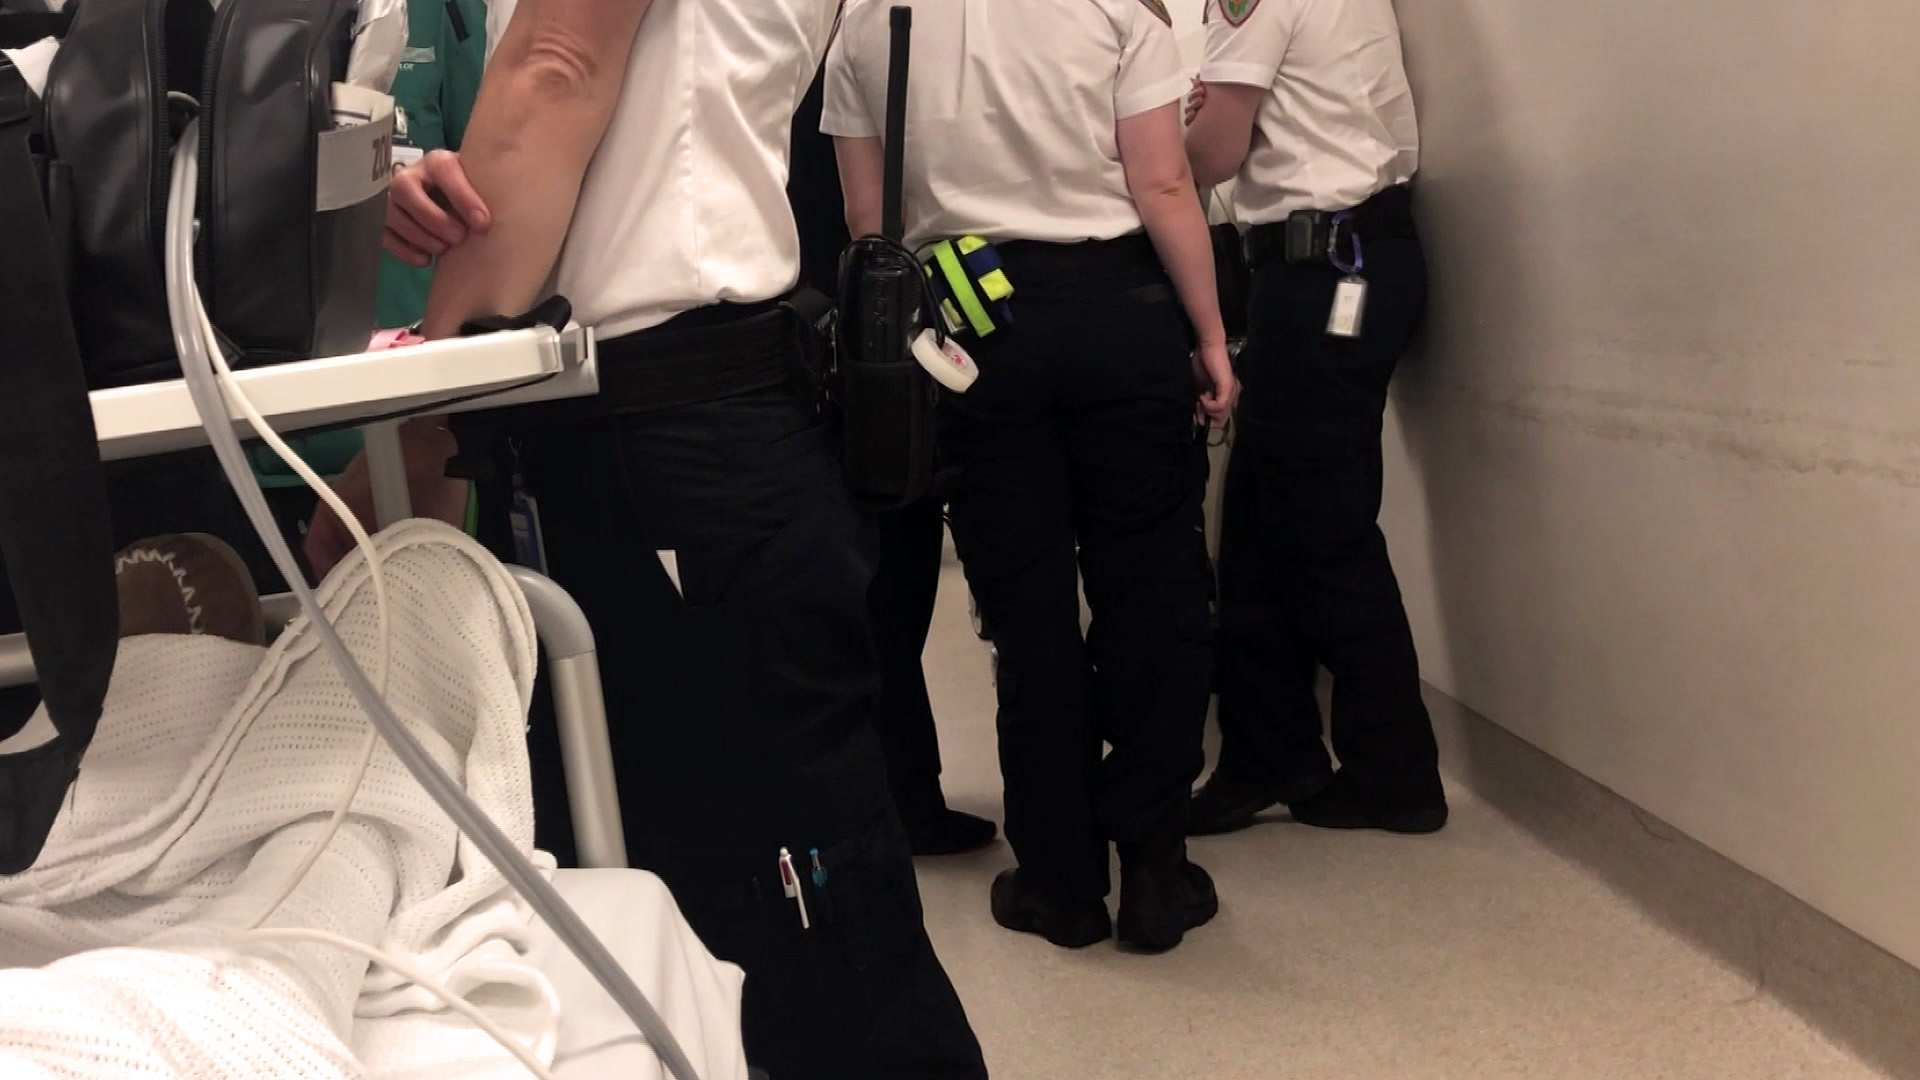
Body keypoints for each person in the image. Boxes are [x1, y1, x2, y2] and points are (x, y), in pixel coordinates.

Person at [305, 0, 989, 1074]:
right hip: (649, 428)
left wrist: (418, 422)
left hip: (673, 433)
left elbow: (558, 66)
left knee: (798, 923)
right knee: (680, 904)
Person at [824, 0, 1238, 953]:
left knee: (1028, 616)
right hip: (1120, 313)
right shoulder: (1114, 7)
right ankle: (1154, 872)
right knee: (1151, 598)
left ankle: (1059, 881)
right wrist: (1211, 337)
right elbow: (1164, 182)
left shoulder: (872, 23)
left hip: (974, 330)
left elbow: (864, 221)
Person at [1183, 0, 1448, 836]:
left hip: (1325, 271)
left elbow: (1213, 153)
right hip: (1353, 262)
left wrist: (1148, 133)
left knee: (1321, 528)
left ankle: (1395, 773)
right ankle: (1271, 753)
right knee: (1264, 522)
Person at [789, 64, 996, 858]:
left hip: (824, 329)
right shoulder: (872, 44)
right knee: (886, 587)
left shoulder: (812, 45)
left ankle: (894, 793)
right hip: (869, 338)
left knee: (875, 588)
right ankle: (898, 798)